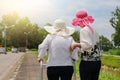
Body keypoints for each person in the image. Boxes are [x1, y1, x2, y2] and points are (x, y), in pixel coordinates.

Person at [71, 10, 101, 80]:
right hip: (97, 61)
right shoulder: (94, 30)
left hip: (87, 62)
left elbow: (87, 45)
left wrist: (75, 44)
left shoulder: (84, 30)